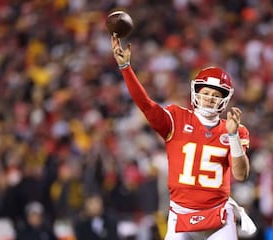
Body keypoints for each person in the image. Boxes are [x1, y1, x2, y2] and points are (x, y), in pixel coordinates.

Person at [110, 35, 256, 240]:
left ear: (224, 99)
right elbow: (145, 104)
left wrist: (232, 135)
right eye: (206, 93)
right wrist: (126, 67)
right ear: (196, 91)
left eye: (216, 95)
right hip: (181, 214)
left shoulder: (234, 130)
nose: (210, 98)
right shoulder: (177, 118)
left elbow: (241, 175)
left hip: (217, 215)